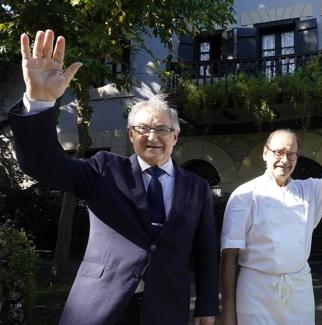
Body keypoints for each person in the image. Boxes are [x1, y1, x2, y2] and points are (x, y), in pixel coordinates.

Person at [8, 29, 218, 325]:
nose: (152, 136)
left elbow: (207, 252)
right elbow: (42, 164)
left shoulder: (198, 188)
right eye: (143, 128)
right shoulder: (104, 169)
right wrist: (39, 102)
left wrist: (207, 307)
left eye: (161, 129)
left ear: (176, 136)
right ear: (131, 135)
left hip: (165, 310)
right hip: (100, 308)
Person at [219, 95, 322, 325]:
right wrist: (228, 311)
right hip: (255, 291)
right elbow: (228, 256)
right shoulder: (244, 195)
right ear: (265, 153)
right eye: (278, 152)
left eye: (291, 153)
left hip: (299, 289)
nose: (284, 159)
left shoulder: (308, 190)